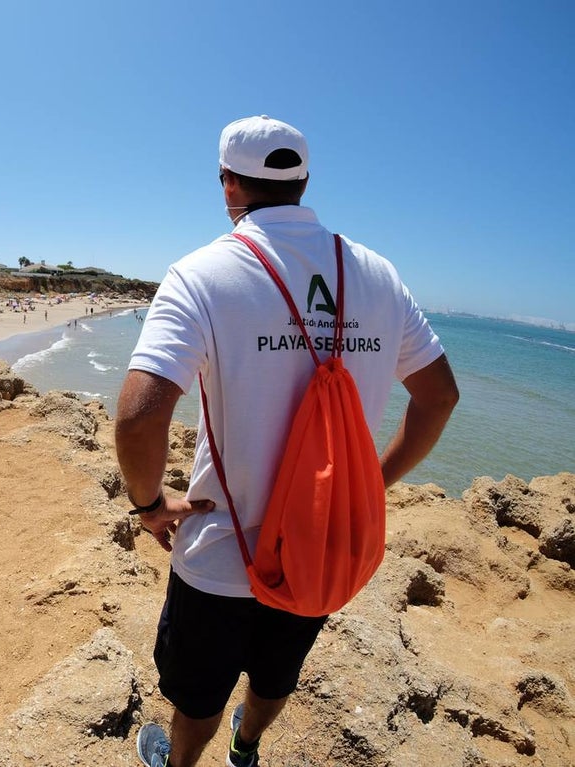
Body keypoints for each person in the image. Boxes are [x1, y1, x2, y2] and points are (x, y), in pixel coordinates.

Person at [116, 115, 458, 767]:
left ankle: (182, 761)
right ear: (304, 181)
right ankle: (246, 748)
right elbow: (439, 395)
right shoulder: (380, 275)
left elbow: (138, 416)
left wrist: (148, 503)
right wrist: (372, 485)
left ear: (228, 186)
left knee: (197, 694)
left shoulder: (202, 273)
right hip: (321, 541)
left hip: (222, 550)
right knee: (276, 675)